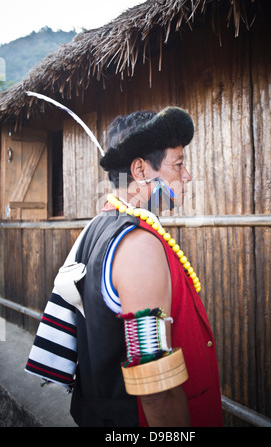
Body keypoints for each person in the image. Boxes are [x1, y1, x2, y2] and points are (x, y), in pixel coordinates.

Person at [68, 107, 223, 427]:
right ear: (139, 170)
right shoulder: (139, 246)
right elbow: (156, 387)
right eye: (178, 164)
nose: (187, 175)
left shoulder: (102, 222)